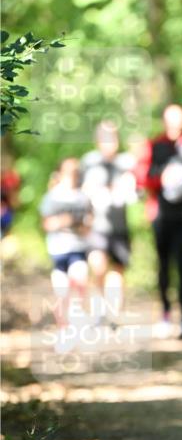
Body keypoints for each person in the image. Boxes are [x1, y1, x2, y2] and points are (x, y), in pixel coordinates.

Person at [135, 104, 182, 339]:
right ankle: (165, 315)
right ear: (164, 120)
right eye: (172, 118)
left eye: (180, 117)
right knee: (163, 265)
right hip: (160, 214)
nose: (177, 122)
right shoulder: (154, 145)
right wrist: (161, 180)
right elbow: (142, 178)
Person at [80, 120, 137, 324]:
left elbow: (135, 191)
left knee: (118, 271)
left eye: (112, 138)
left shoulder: (127, 162)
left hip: (119, 226)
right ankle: (99, 310)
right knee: (98, 267)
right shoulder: (88, 162)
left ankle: (114, 313)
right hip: (96, 226)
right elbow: (79, 192)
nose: (109, 143)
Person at [39, 158, 91, 352]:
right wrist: (66, 220)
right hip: (58, 251)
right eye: (68, 173)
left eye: (75, 173)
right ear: (60, 174)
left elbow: (88, 225)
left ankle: (77, 325)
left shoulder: (82, 197)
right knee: (62, 293)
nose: (72, 177)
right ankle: (64, 330)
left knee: (79, 283)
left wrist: (81, 224)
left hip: (78, 249)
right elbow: (46, 224)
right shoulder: (51, 197)